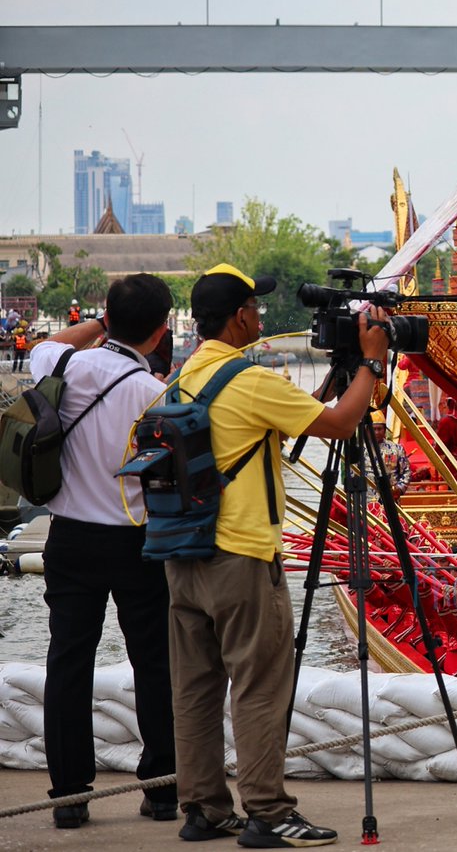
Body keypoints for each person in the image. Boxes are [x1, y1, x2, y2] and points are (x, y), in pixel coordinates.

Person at [165, 262, 388, 847]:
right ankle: (267, 809)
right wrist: (369, 362)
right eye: (255, 311)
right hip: (240, 558)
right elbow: (342, 423)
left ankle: (204, 808)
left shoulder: (183, 378)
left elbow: (277, 426)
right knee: (260, 686)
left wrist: (331, 385)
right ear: (240, 317)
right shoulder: (248, 381)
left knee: (195, 689)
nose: (260, 318)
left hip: (182, 557)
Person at [30, 274, 177, 828]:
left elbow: (53, 343)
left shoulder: (63, 366)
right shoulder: (153, 393)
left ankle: (69, 795)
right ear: (163, 330)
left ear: (106, 321)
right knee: (155, 662)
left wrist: (99, 324)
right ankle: (162, 789)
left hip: (67, 534)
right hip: (136, 538)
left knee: (68, 659)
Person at [369, 411, 411, 503]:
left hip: (390, 498)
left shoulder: (396, 449)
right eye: (374, 429)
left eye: (379, 429)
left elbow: (406, 472)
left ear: (384, 430)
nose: (376, 432)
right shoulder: (361, 450)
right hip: (367, 500)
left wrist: (399, 489)